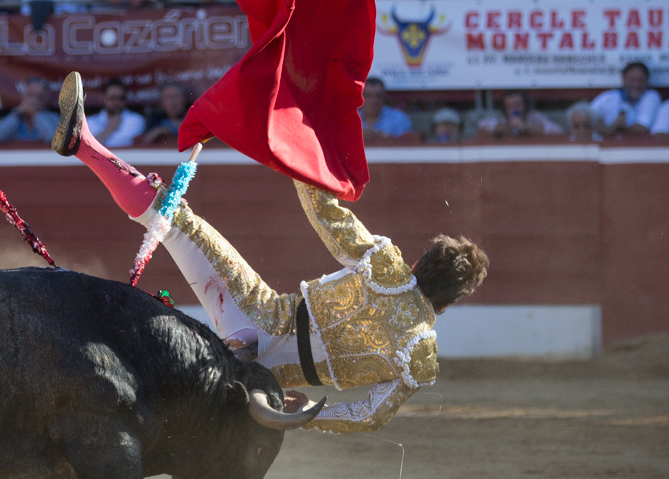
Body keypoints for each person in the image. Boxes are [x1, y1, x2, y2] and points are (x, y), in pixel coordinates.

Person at [48, 71, 489, 433]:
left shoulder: (387, 267)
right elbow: (367, 414)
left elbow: (323, 213)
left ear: (418, 263)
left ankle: (83, 142)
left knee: (173, 217)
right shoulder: (420, 356)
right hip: (263, 389)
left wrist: (301, 147)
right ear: (452, 302)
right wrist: (299, 417)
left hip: (255, 313)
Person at [589, 60, 661, 137]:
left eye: (641, 80)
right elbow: (587, 120)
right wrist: (608, 128)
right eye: (632, 80)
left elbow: (641, 129)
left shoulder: (651, 96)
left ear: (647, 81)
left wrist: (612, 129)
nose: (636, 85)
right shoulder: (607, 98)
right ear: (623, 79)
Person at [0, 77, 59, 143]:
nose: (34, 100)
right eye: (30, 95)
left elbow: (52, 139)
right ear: (22, 96)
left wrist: (36, 114)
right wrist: (18, 113)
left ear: (46, 99)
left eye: (40, 96)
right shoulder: (15, 116)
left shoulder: (54, 118)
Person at [84, 77, 145, 147]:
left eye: (120, 98)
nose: (116, 102)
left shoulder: (135, 120)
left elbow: (120, 144)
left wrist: (101, 136)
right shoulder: (89, 123)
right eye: (112, 98)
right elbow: (87, 147)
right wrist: (110, 128)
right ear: (102, 98)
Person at [476, 90, 564, 137]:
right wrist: (509, 128)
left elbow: (558, 131)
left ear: (525, 105)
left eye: (517, 105)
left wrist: (526, 128)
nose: (514, 109)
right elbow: (481, 128)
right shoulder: (502, 119)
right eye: (509, 106)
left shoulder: (535, 117)